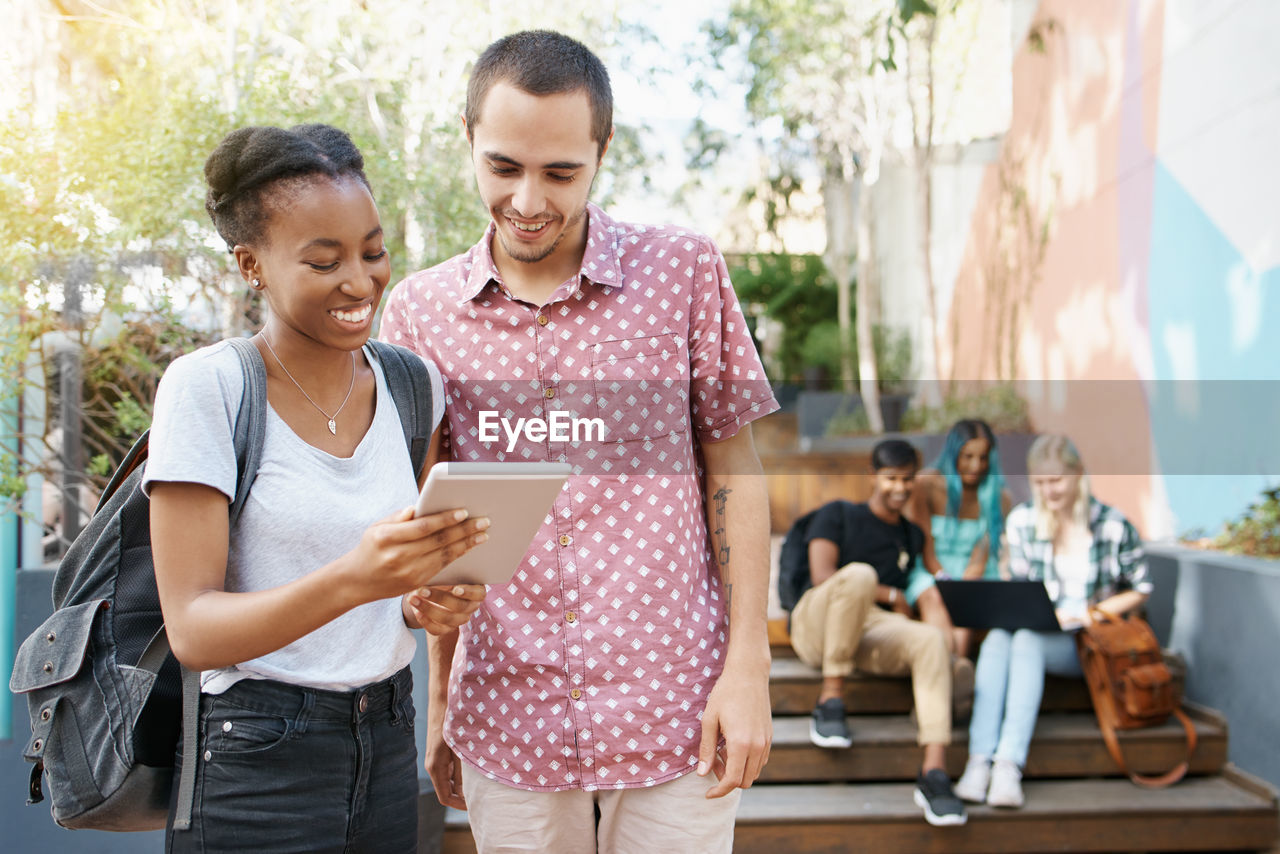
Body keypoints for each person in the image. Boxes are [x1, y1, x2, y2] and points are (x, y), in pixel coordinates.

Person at [380, 30, 779, 854]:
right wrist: (444, 696)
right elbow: (436, 525)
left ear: (602, 151)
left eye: (561, 172)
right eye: (503, 167)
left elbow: (734, 471)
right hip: (508, 710)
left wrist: (750, 669)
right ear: (468, 140)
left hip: (677, 703)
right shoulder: (418, 315)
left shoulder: (685, 272)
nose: (529, 199)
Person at [146, 123, 491, 853]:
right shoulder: (209, 389)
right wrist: (356, 579)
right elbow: (193, 630)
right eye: (324, 260)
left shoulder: (411, 385)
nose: (361, 282)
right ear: (252, 265)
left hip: (390, 740)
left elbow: (398, 590)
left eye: (373, 251)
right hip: (257, 757)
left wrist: (426, 598)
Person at [953, 433, 1151, 809]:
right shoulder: (1024, 521)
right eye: (1040, 483)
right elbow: (1019, 589)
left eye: (1056, 480)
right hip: (1039, 629)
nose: (1049, 491)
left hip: (1088, 641)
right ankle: (979, 762)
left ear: (1078, 474)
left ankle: (1009, 764)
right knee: (998, 637)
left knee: (1025, 640)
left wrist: (1089, 614)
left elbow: (1141, 588)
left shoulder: (1112, 524)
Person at [787, 439, 968, 827]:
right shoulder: (837, 514)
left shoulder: (910, 535)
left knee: (930, 639)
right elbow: (821, 577)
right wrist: (889, 592)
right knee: (861, 575)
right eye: (890, 479)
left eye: (907, 480)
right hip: (818, 620)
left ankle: (934, 772)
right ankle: (831, 699)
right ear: (872, 476)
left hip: (868, 630)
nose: (899, 488)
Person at [905, 418, 1014, 655]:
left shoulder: (999, 497)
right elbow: (925, 546)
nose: (976, 465)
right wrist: (943, 577)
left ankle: (952, 671)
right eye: (968, 456)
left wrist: (961, 586)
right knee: (934, 597)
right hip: (930, 568)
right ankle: (952, 671)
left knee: (965, 602)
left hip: (975, 574)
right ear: (954, 453)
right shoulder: (926, 484)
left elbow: (981, 557)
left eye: (983, 457)